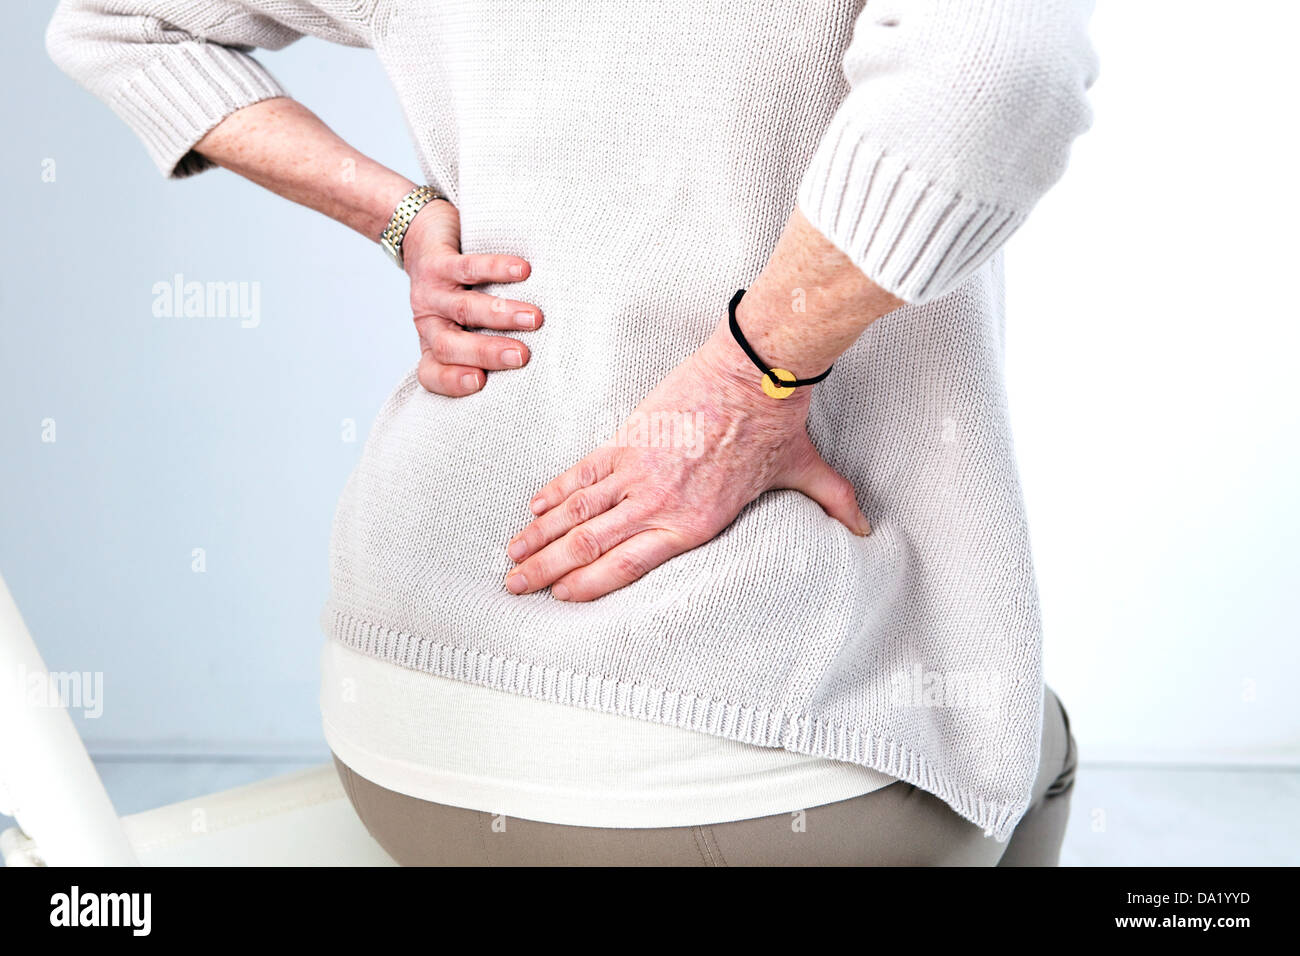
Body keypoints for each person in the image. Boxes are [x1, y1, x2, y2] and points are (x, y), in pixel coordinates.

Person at [48, 0, 1096, 865]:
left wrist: (399, 214)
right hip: (749, 769)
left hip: (404, 724)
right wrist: (751, 375)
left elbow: (116, 19)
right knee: (1016, 731)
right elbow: (1000, 60)